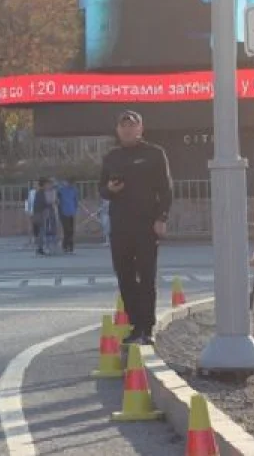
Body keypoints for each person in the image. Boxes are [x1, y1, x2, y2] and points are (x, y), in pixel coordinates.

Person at [99, 110, 172, 345]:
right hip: (120, 225)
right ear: (118, 130)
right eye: (123, 126)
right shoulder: (112, 156)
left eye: (132, 125)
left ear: (141, 128)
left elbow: (166, 188)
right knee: (125, 276)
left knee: (147, 276)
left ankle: (147, 328)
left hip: (146, 225)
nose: (128, 129)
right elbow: (101, 189)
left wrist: (162, 217)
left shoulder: (154, 154)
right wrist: (111, 189)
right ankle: (135, 325)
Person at [32, 178, 59, 256]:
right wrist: (52, 203)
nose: (49, 186)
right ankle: (40, 248)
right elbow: (42, 203)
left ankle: (42, 248)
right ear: (43, 185)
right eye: (48, 184)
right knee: (41, 231)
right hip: (41, 214)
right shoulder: (40, 193)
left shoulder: (44, 192)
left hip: (44, 213)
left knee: (44, 231)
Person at [57, 180, 80, 254]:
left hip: (71, 212)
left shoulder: (74, 190)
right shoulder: (61, 190)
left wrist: (75, 209)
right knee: (67, 230)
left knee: (71, 231)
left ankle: (70, 247)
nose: (70, 184)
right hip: (63, 213)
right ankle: (65, 246)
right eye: (68, 183)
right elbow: (57, 199)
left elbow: (76, 200)